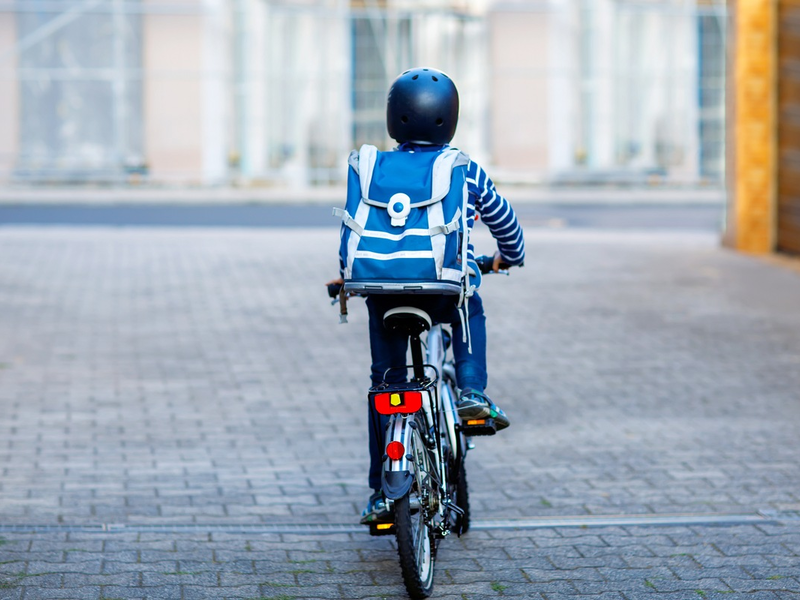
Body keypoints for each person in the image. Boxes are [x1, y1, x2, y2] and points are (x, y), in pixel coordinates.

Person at [327, 67, 525, 523]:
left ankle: (381, 493)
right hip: (441, 289)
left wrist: (346, 278)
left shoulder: (371, 166)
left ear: (394, 118)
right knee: (468, 302)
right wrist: (509, 257)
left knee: (387, 387)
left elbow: (356, 228)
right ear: (449, 118)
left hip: (380, 292)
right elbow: (505, 223)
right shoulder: (462, 168)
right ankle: (472, 393)